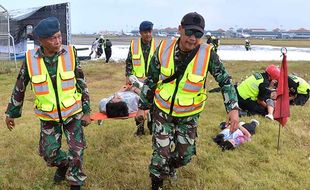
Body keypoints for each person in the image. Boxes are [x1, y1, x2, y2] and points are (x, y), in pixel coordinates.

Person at [135, 12, 239, 190]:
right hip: (162, 110)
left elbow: (226, 81)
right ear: (180, 29)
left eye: (198, 35)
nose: (193, 39)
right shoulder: (163, 49)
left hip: (189, 114)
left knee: (185, 155)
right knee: (161, 154)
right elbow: (151, 80)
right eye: (189, 32)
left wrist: (233, 108)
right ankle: (157, 183)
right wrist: (143, 107)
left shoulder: (208, 54)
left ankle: (170, 167)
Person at [4, 17, 91, 190]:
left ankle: (75, 182)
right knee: (49, 154)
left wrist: (87, 111)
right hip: (48, 116)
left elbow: (82, 83)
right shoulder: (30, 60)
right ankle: (63, 165)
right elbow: (20, 86)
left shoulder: (70, 53)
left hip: (72, 113)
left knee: (77, 151)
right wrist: (11, 113)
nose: (58, 41)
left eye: (59, 36)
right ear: (41, 41)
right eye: (52, 38)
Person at [125, 20, 157, 135]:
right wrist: (128, 76)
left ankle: (152, 127)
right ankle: (139, 129)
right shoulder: (134, 45)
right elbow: (129, 62)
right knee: (138, 104)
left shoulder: (157, 46)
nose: (148, 34)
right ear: (140, 33)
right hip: (137, 81)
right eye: (145, 32)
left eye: (149, 31)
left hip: (152, 81)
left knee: (153, 105)